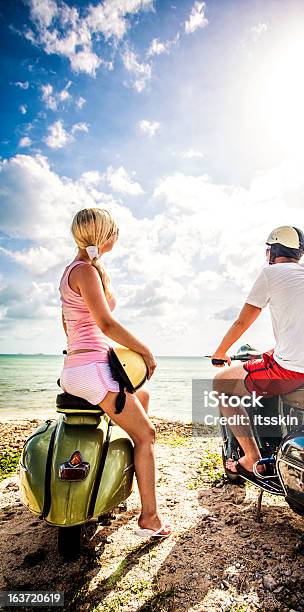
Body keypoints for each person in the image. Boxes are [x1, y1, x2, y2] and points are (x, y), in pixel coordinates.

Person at [59, 207, 171, 538]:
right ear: (104, 234)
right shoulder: (86, 271)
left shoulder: (72, 271)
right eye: (114, 230)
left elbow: (67, 325)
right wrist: (145, 350)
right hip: (93, 370)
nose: (117, 235)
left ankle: (119, 469)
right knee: (147, 434)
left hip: (75, 368)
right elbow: (106, 324)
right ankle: (149, 518)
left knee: (143, 396)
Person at [211, 225, 304, 478]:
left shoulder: (270, 274)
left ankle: (252, 458)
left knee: (221, 385)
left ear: (272, 252)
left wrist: (220, 352)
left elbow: (242, 322)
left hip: (294, 370)